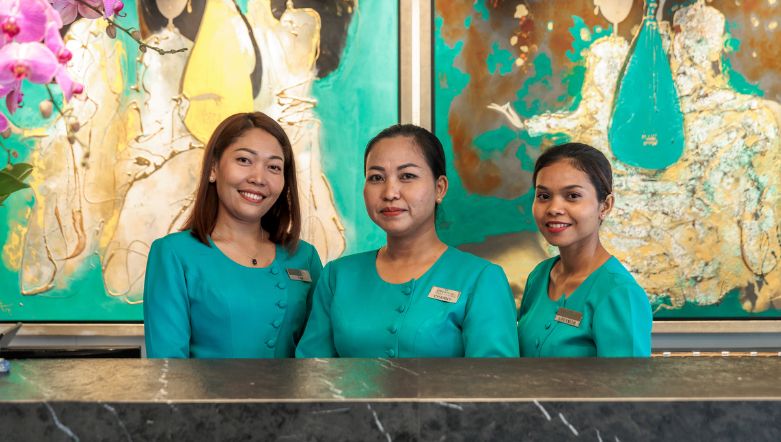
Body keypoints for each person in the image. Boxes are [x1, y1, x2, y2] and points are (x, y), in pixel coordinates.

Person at [296, 124, 519, 358]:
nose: (390, 192)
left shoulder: (481, 278)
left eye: (407, 176)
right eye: (376, 178)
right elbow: (313, 371)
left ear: (440, 188)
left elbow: (494, 378)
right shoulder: (338, 276)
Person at [143, 112, 322, 358]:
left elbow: (320, 355)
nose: (258, 178)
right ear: (213, 168)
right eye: (244, 160)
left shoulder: (304, 256)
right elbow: (168, 367)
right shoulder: (174, 254)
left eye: (273, 167)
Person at [517, 142, 652, 357]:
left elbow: (628, 378)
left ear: (605, 206)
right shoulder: (539, 276)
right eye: (544, 196)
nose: (554, 209)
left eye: (572, 196)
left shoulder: (620, 293)